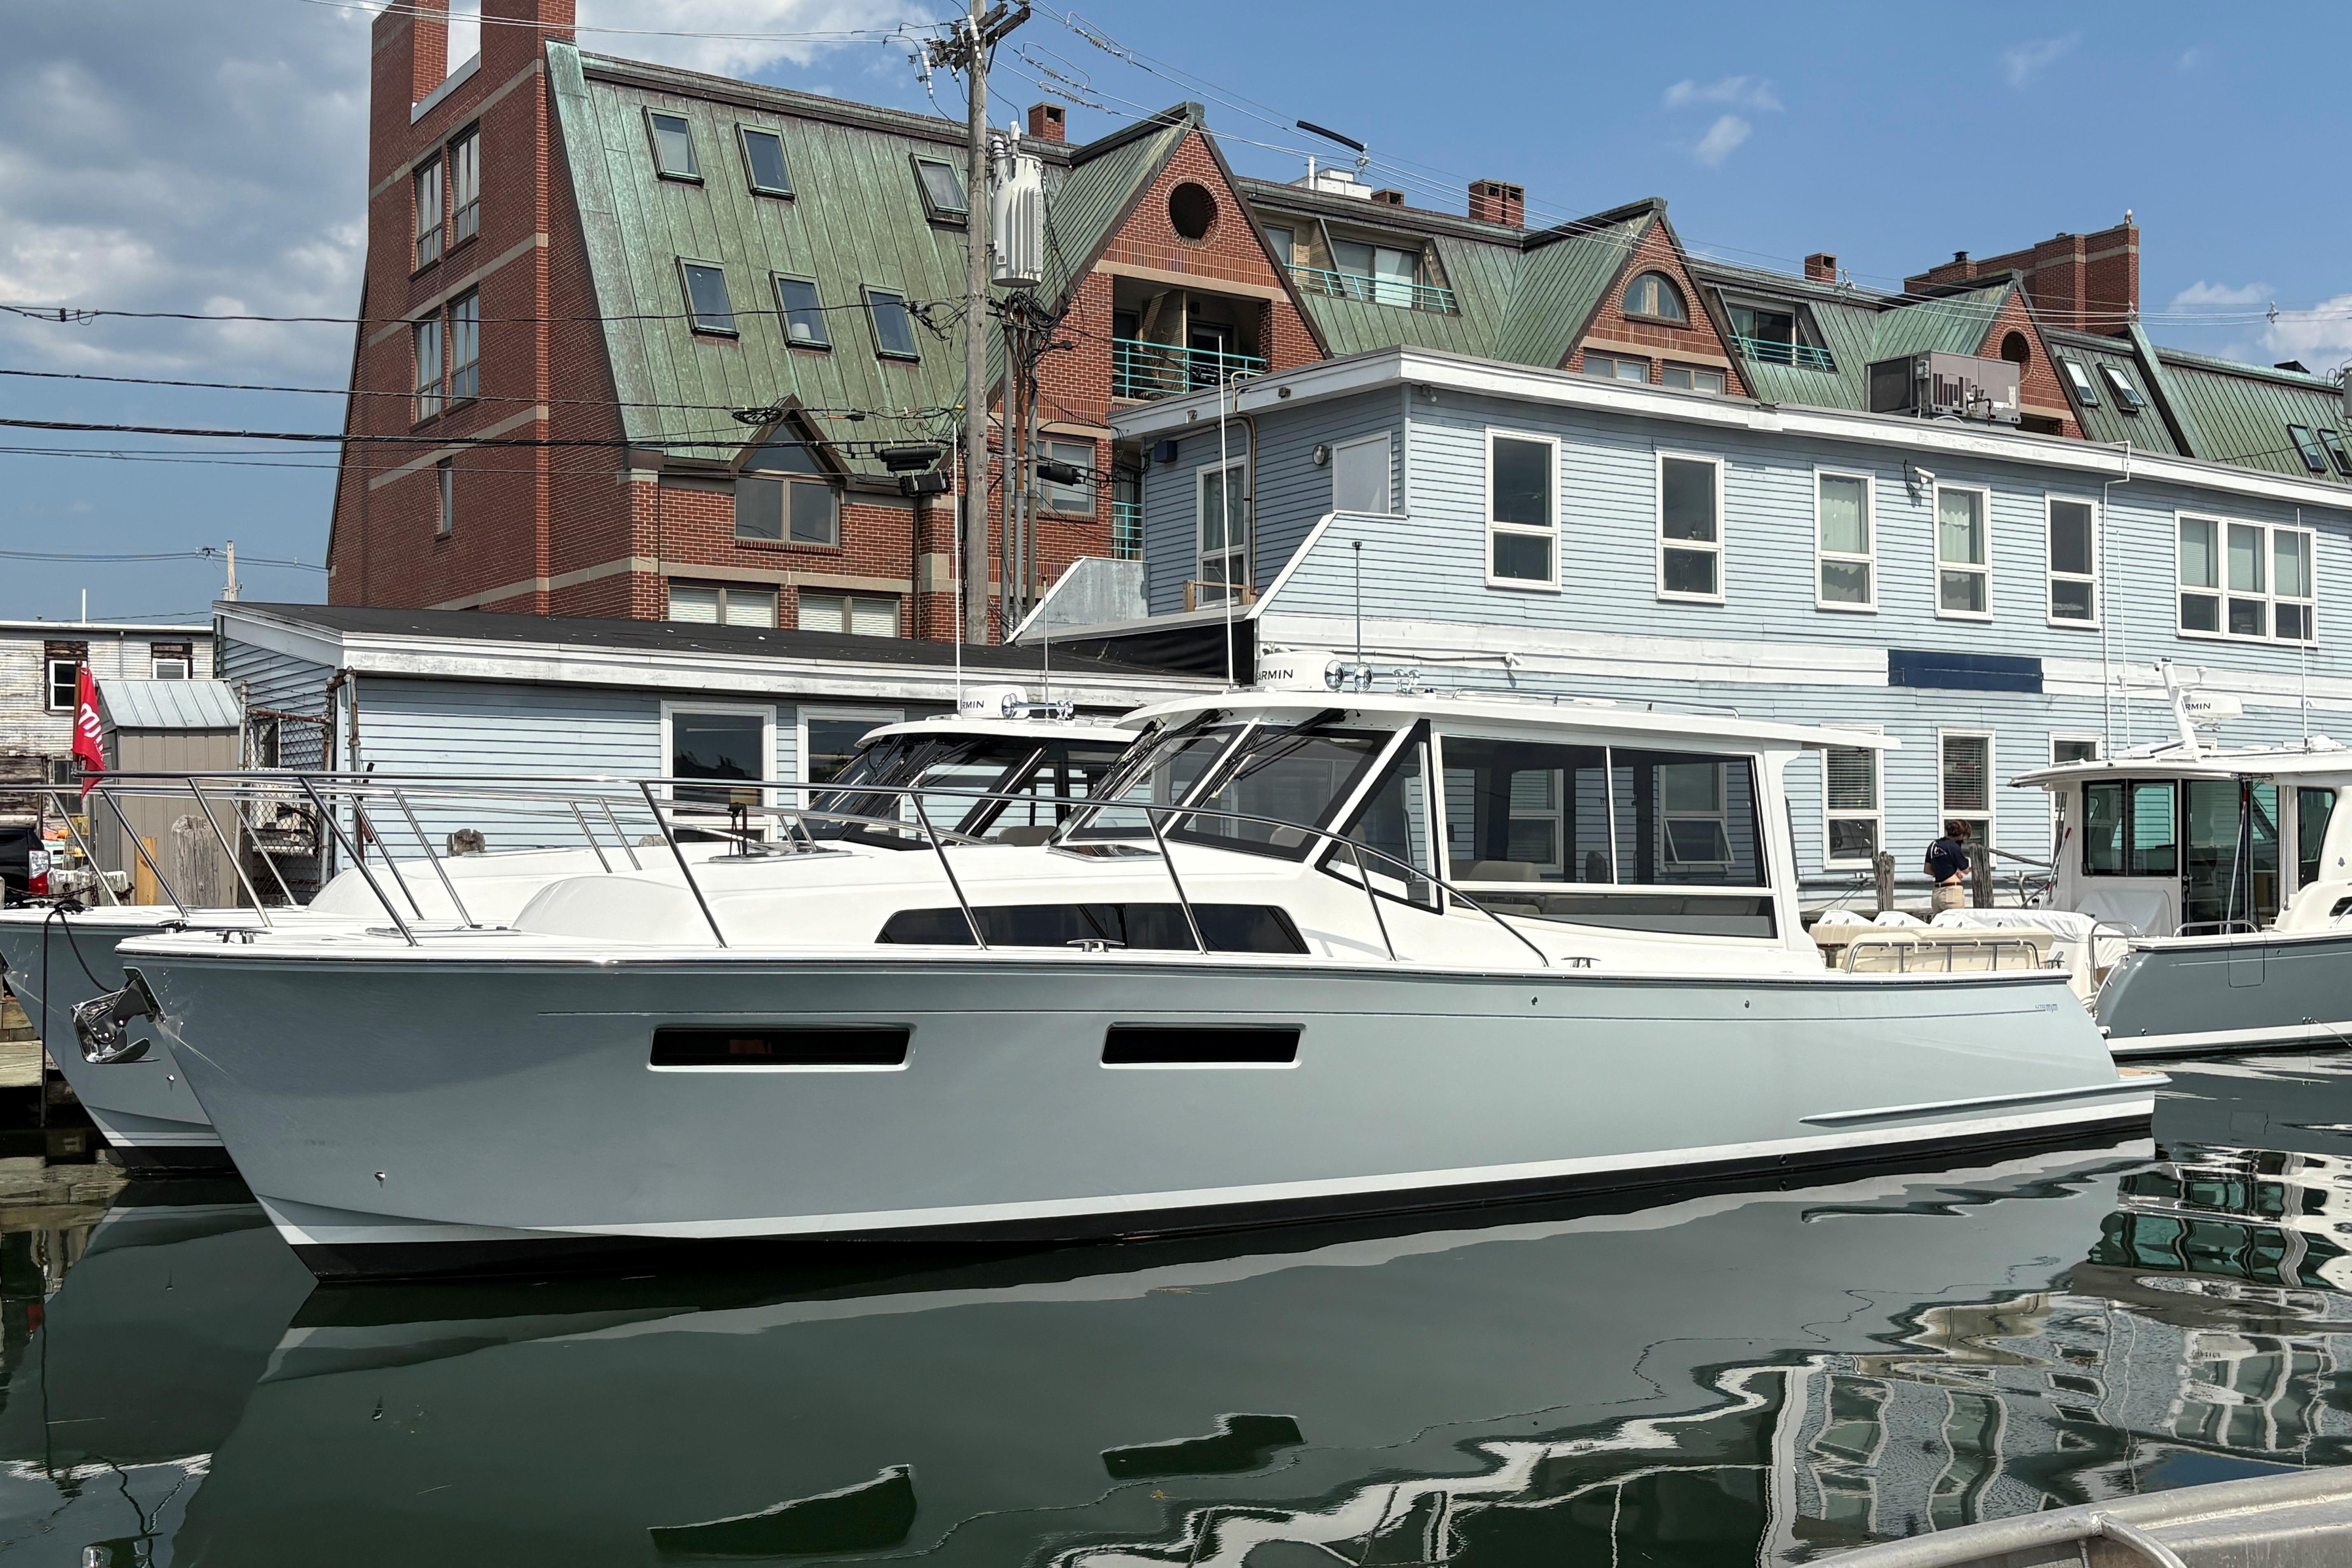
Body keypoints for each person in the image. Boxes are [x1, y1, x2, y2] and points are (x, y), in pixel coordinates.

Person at [1925, 819, 1973, 914]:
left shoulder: (1933, 845)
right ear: (1961, 836)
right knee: (1954, 925)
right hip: (1952, 892)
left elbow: (1928, 870)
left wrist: (1949, 872)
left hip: (1937, 893)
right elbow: (1966, 870)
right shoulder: (1954, 847)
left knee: (1940, 926)